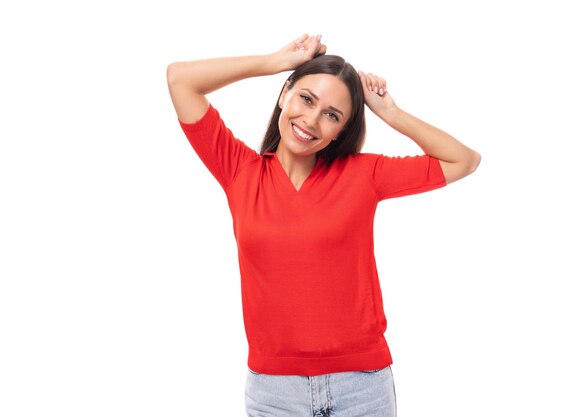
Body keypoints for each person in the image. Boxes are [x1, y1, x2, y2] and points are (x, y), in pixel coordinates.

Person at [167, 33, 480, 417]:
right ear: (285, 94)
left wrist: (391, 113)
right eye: (306, 99)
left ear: (341, 130)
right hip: (274, 392)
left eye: (332, 115)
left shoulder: (364, 175)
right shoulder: (240, 172)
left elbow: (463, 160)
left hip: (361, 386)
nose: (311, 120)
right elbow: (180, 79)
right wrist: (273, 62)